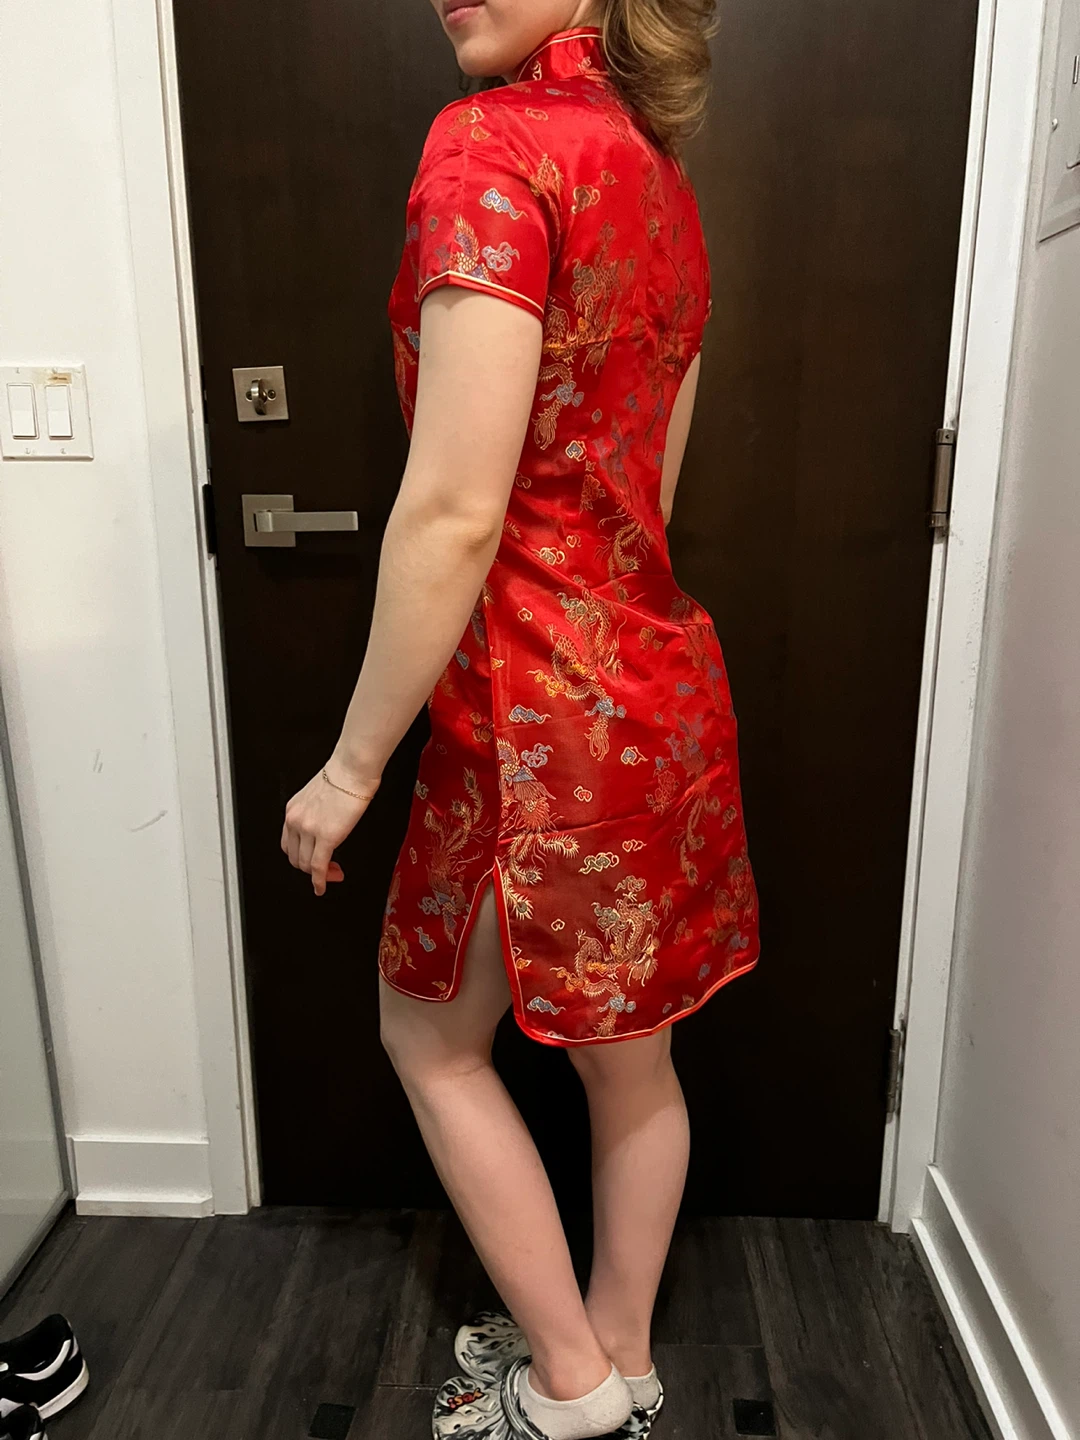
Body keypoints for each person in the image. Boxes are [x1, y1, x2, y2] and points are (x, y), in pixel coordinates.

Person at [281, 2, 761, 1435]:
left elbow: (452, 510)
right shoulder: (659, 175)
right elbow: (648, 500)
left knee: (428, 1039)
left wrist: (352, 767)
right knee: (637, 1056)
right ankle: (623, 1350)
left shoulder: (488, 146)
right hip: (656, 689)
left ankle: (569, 1386)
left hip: (529, 710)